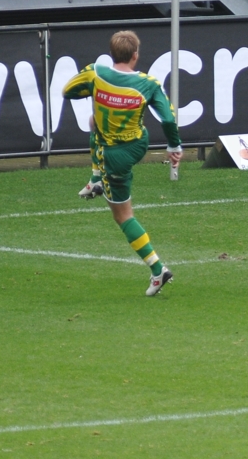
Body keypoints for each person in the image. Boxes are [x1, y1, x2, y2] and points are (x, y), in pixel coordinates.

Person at [62, 31, 183, 297]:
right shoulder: (148, 83)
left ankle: (157, 269)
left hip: (115, 156)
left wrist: (94, 89)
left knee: (123, 215)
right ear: (135, 55)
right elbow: (167, 118)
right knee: (94, 123)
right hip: (138, 144)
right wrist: (174, 146)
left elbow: (67, 91)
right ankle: (95, 180)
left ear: (112, 53)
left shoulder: (96, 73)